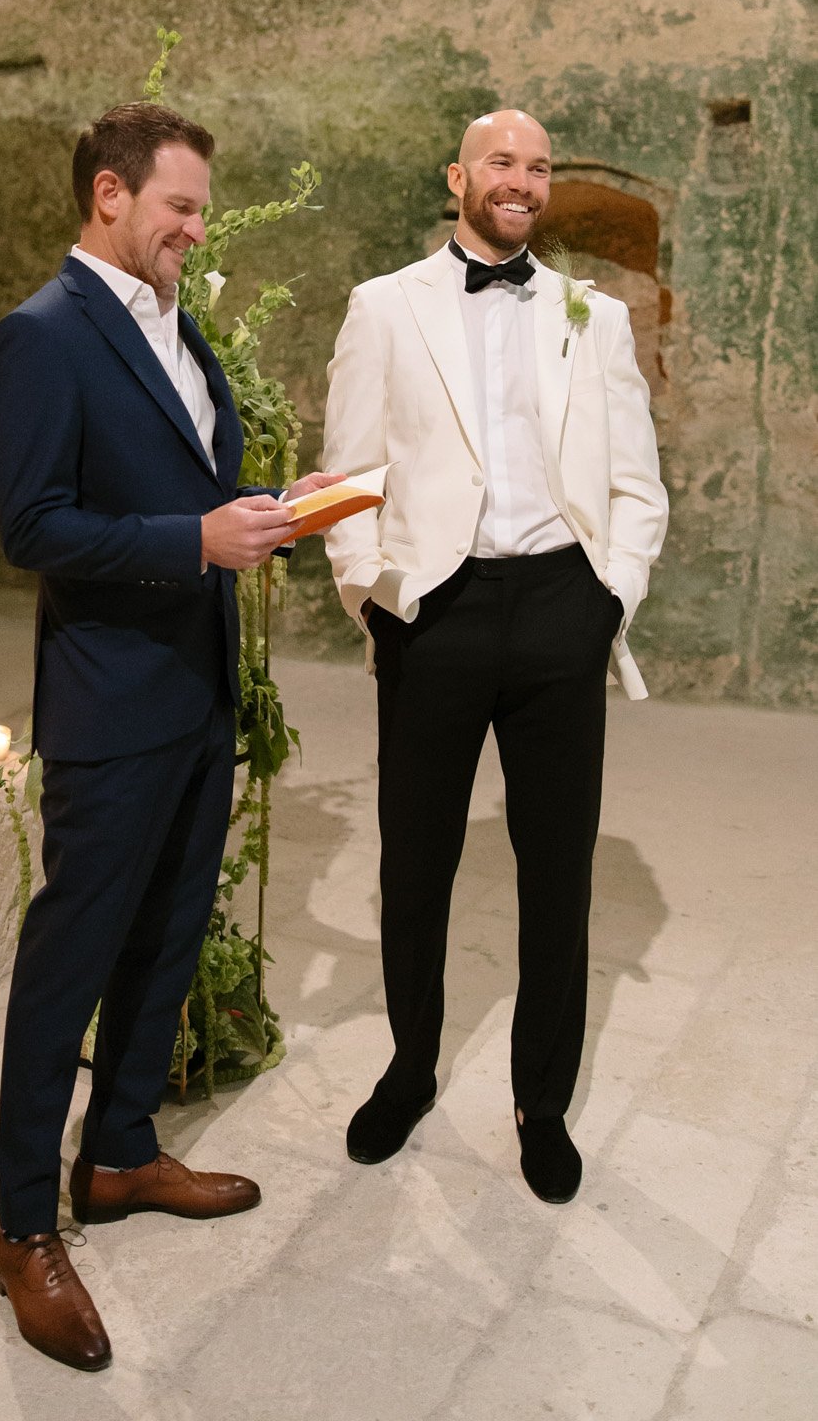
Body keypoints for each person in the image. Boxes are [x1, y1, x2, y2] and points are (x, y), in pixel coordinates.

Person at [0, 101, 340, 1370]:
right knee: (68, 962)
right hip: (109, 700)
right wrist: (194, 539)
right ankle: (22, 1224)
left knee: (168, 933)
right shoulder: (40, 335)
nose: (195, 227)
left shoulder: (177, 327)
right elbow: (32, 524)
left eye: (199, 208)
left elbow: (184, 486)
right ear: (109, 196)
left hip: (196, 689)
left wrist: (266, 509)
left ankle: (121, 1150)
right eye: (180, 206)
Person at [322, 109, 667, 1204]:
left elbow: (636, 478)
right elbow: (350, 474)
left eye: (538, 167)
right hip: (435, 610)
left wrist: (609, 597)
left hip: (562, 604)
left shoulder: (593, 317)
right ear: (458, 176)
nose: (521, 180)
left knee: (557, 872)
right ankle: (408, 1068)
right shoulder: (384, 307)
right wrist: (377, 600)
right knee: (414, 862)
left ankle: (540, 1103)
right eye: (501, 162)